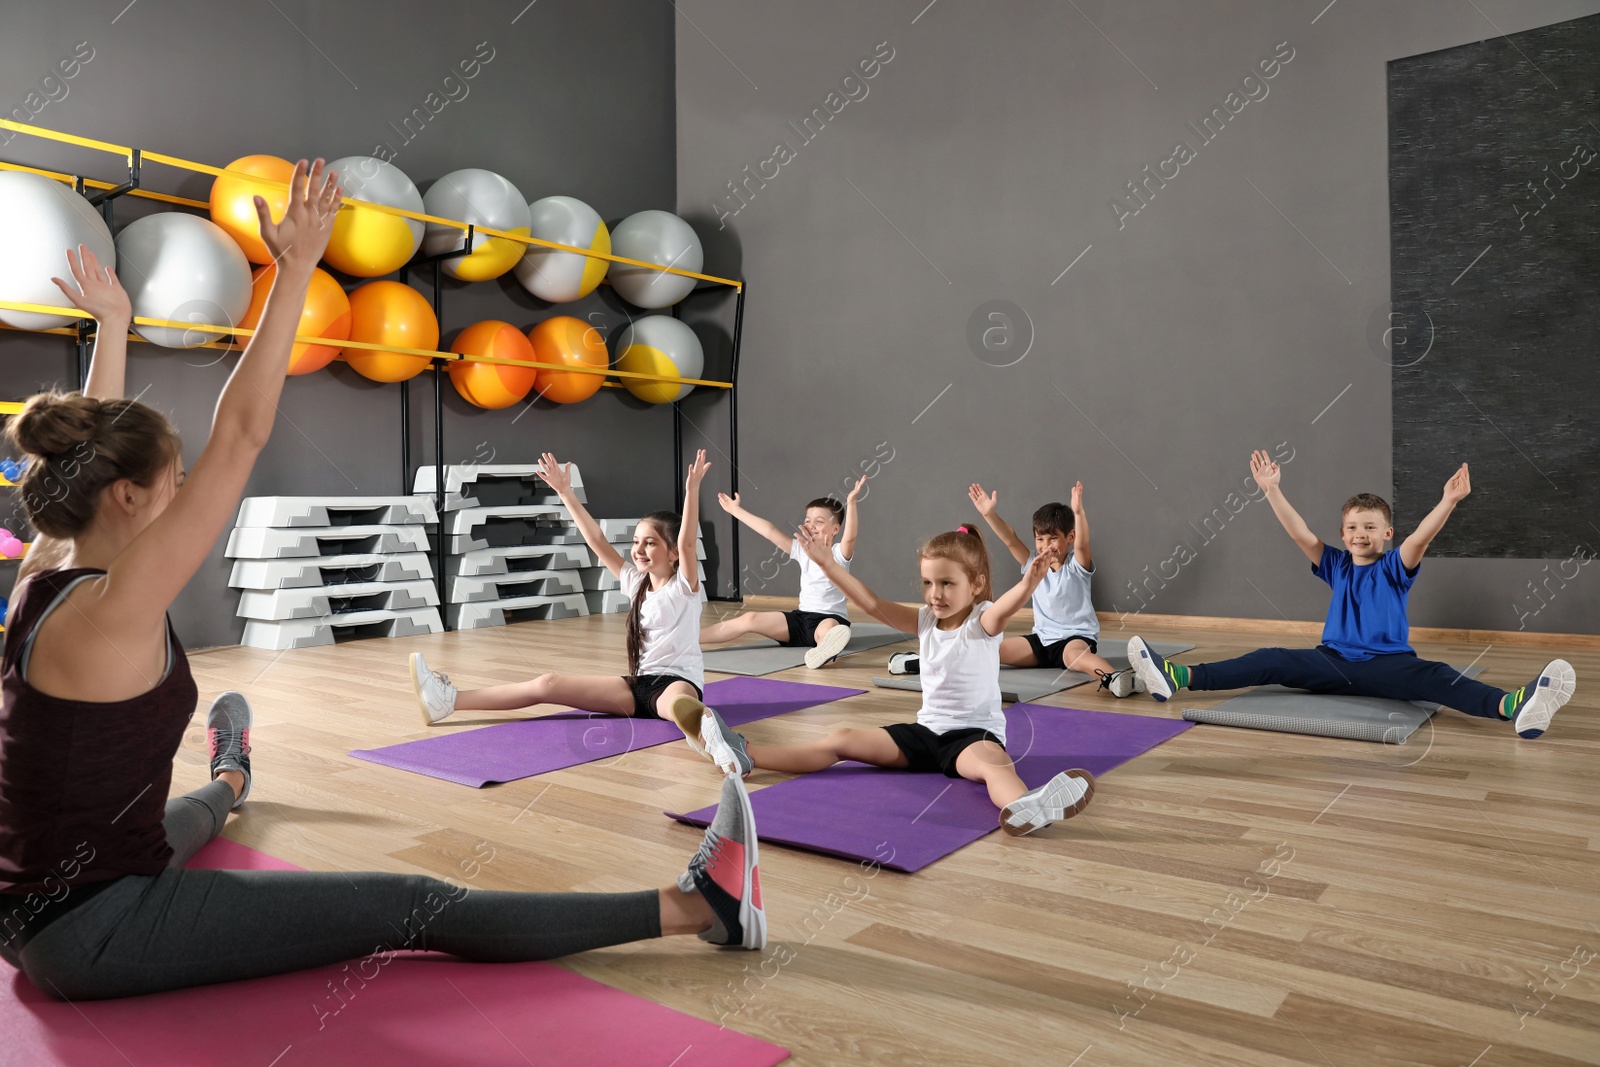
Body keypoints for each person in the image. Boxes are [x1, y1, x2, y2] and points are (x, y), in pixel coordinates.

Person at [0, 164, 763, 1004]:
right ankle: (703, 907)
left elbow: (89, 459)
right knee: (413, 902)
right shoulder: (116, 608)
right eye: (175, 481)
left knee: (195, 809)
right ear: (130, 496)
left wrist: (113, 323)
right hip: (96, 928)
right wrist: (294, 269)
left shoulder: (51, 567)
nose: (184, 494)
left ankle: (232, 775)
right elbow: (243, 431)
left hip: (42, 895)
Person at [675, 520, 1097, 836]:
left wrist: (1028, 583)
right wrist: (826, 563)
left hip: (972, 737)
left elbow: (1006, 607)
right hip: (924, 734)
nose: (936, 593)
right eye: (929, 583)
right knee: (840, 738)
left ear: (976, 585)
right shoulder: (925, 621)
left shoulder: (982, 621)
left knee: (993, 765)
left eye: (948, 584)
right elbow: (870, 603)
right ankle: (747, 753)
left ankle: (1025, 807)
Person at [1127, 451, 1576, 738]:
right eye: (1352, 528)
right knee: (1270, 659)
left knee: (1438, 677)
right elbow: (1300, 533)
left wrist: (1448, 502)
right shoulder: (1336, 564)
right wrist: (1273, 491)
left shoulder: (1396, 567)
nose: (1360, 534)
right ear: (1343, 534)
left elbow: (1420, 538)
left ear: (1386, 534)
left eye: (1369, 528)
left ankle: (1513, 706)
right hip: (1331, 662)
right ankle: (1177, 678)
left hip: (1390, 666)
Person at [410, 451, 726, 750]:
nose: (639, 549)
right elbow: (596, 539)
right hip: (635, 686)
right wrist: (565, 492)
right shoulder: (636, 582)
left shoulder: (684, 587)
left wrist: (692, 490)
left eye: (650, 543)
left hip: (677, 682)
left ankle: (710, 735)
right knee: (548, 683)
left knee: (679, 706)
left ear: (672, 554)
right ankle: (448, 700)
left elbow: (686, 544)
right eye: (636, 542)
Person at [700, 478, 868, 669]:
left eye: (819, 522)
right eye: (807, 521)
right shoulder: (802, 550)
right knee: (749, 619)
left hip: (829, 619)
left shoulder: (839, 553)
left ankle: (822, 650)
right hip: (800, 619)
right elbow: (769, 531)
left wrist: (852, 502)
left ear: (836, 529)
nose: (811, 525)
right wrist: (735, 511)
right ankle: (689, 639)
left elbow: (851, 536)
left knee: (829, 630)